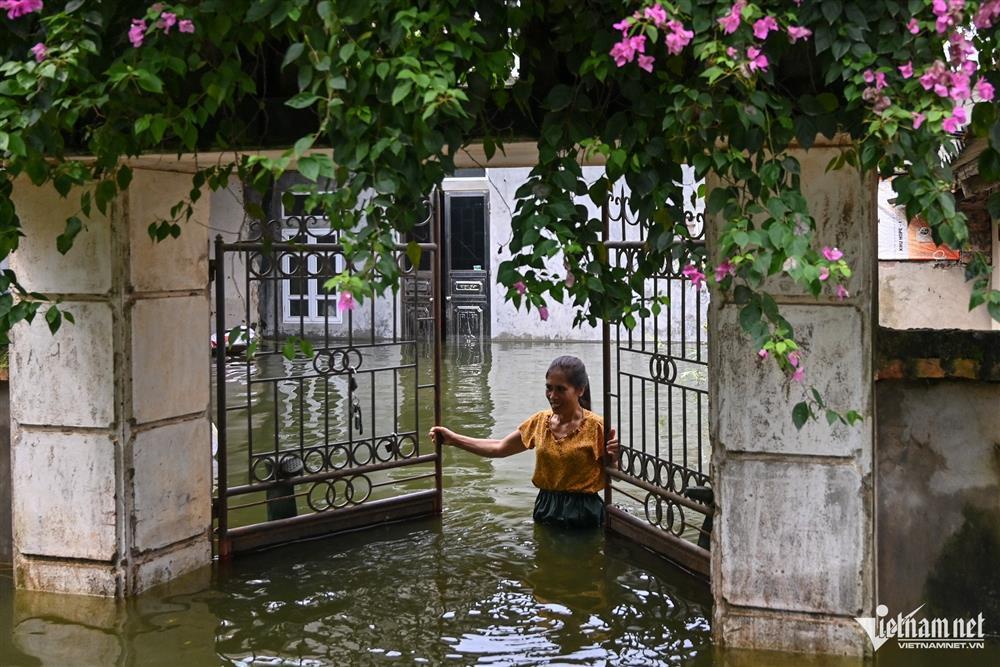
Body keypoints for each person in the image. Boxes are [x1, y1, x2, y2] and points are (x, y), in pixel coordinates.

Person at [428, 355, 619, 528]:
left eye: (560, 389)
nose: (552, 396)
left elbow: (616, 475)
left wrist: (613, 459)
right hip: (546, 508)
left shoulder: (597, 427)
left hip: (583, 513)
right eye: (549, 388)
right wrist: (453, 439)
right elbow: (499, 447)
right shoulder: (539, 422)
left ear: (580, 390)